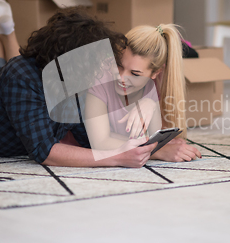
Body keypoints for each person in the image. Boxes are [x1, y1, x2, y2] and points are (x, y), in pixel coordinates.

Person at [0, 0, 157, 168]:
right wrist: (117, 157)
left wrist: (151, 148)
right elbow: (44, 152)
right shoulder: (21, 75)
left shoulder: (79, 79)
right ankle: (1, 33)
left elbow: (90, 137)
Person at [83, 24, 202, 162]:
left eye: (134, 74)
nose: (122, 78)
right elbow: (100, 142)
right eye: (119, 65)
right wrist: (157, 150)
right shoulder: (100, 77)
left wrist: (150, 104)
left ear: (155, 73)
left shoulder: (156, 82)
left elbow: (154, 135)